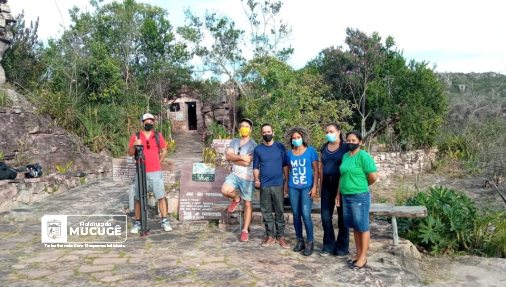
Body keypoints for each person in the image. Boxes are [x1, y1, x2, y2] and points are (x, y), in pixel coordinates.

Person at [336, 130, 378, 270]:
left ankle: (363, 257)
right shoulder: (345, 157)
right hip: (345, 195)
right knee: (354, 226)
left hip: (359, 196)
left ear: (360, 142)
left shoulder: (363, 156)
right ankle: (358, 253)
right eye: (348, 140)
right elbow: (342, 175)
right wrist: (338, 194)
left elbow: (373, 177)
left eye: (353, 140)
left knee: (362, 226)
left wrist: (362, 186)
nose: (350, 143)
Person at [128, 113, 170, 233]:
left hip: (155, 172)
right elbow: (130, 153)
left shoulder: (158, 136)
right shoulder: (136, 136)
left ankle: (165, 220)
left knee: (161, 196)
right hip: (141, 171)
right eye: (147, 122)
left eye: (151, 122)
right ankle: (138, 222)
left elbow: (164, 151)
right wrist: (135, 145)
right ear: (142, 123)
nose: (149, 124)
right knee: (138, 198)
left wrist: (158, 162)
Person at [253, 123, 290, 249]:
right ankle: (270, 235)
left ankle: (280, 236)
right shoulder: (258, 149)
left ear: (273, 132)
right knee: (266, 211)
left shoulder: (280, 147)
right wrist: (256, 179)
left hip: (278, 184)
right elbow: (255, 167)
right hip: (264, 185)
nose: (267, 134)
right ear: (261, 134)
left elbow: (285, 165)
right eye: (264, 132)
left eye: (269, 132)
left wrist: (286, 181)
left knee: (279, 211)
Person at [283, 127, 319, 256]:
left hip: (307, 186)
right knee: (296, 215)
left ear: (303, 137)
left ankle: (310, 241)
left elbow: (316, 170)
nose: (296, 140)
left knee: (306, 214)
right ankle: (300, 240)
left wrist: (315, 187)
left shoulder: (311, 151)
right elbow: (287, 168)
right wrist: (286, 182)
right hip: (293, 187)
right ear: (291, 140)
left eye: (298, 137)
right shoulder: (289, 153)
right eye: (294, 138)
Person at [222, 118, 257, 242]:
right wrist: (241, 157)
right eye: (242, 126)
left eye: (246, 126)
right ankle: (236, 198)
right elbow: (228, 156)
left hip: (248, 178)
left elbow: (247, 162)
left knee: (248, 203)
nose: (244, 128)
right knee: (225, 190)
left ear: (251, 130)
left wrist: (234, 158)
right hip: (235, 174)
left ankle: (245, 230)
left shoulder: (253, 145)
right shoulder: (235, 141)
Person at [319, 123, 350, 257]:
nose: (329, 134)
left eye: (331, 131)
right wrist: (320, 186)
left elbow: (345, 169)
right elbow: (322, 167)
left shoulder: (345, 148)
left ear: (339, 132)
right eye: (327, 132)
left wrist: (338, 192)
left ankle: (342, 247)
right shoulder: (324, 148)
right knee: (326, 217)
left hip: (341, 184)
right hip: (326, 184)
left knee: (342, 218)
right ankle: (328, 245)